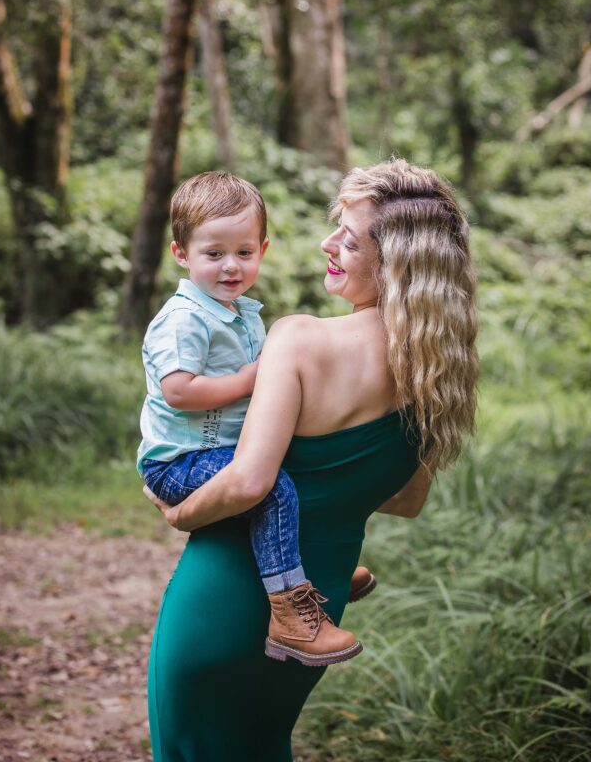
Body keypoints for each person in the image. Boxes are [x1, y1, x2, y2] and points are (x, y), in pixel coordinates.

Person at [144, 159, 479, 762]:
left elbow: (249, 481)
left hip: (227, 595)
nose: (327, 244)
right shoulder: (436, 370)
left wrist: (180, 514)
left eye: (348, 241)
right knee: (263, 744)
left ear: (396, 263)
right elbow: (405, 501)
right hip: (322, 597)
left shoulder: (300, 340)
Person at [137, 171, 367, 668]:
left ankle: (313, 570)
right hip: (180, 460)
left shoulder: (240, 312)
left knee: (292, 462)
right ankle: (289, 613)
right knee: (272, 489)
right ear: (181, 254)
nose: (230, 266)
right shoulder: (184, 320)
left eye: (244, 252)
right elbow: (178, 391)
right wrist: (247, 381)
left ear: (262, 249)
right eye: (213, 254)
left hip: (220, 449)